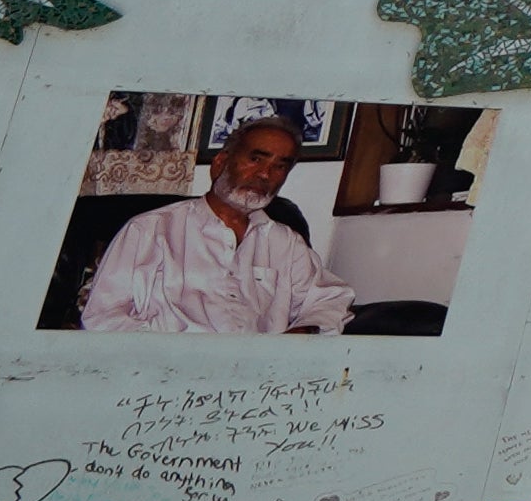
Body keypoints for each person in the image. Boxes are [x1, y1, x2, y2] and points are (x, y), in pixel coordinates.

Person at [76, 110, 354, 335]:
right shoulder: (150, 230)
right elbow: (102, 317)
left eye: (280, 166)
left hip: (256, 381)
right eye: (255, 159)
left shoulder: (285, 243)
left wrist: (303, 332)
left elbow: (332, 298)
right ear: (220, 163)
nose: (265, 174)